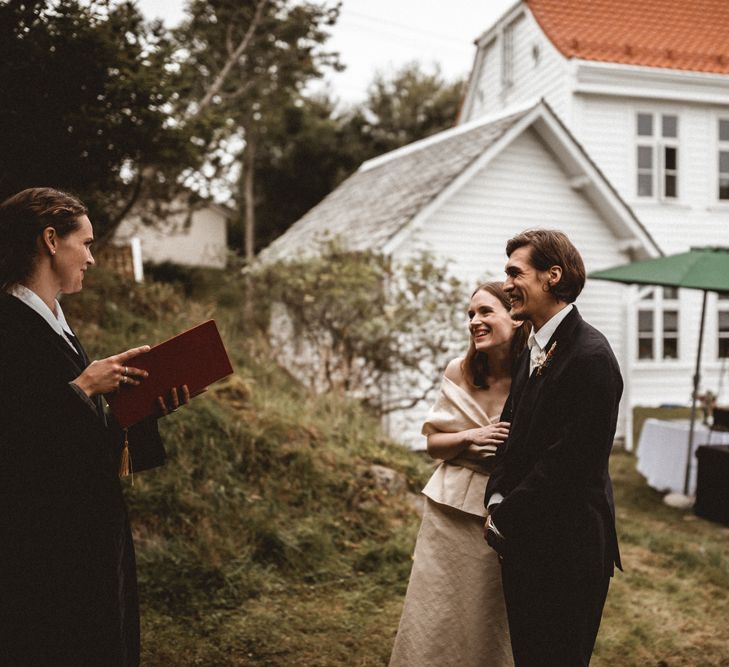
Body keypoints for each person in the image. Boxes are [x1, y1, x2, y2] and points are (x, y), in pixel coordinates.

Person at [0, 188, 187, 666]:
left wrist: (142, 406)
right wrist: (83, 387)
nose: (92, 258)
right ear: (49, 240)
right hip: (46, 542)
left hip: (90, 529)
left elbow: (82, 443)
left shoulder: (56, 323)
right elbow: (19, 440)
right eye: (85, 243)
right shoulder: (10, 326)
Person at [484, 230, 623, 666]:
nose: (506, 283)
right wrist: (496, 494)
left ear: (552, 276)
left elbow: (569, 464)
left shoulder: (591, 358)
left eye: (515, 272)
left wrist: (504, 513)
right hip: (525, 542)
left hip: (568, 551)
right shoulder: (530, 346)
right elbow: (510, 427)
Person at [389, 282, 528, 667]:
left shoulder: (536, 375)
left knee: (488, 616)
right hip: (448, 511)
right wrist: (470, 437)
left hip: (503, 516)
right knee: (436, 610)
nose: (475, 321)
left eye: (486, 312)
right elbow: (433, 443)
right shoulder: (460, 370)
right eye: (470, 315)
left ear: (515, 319)